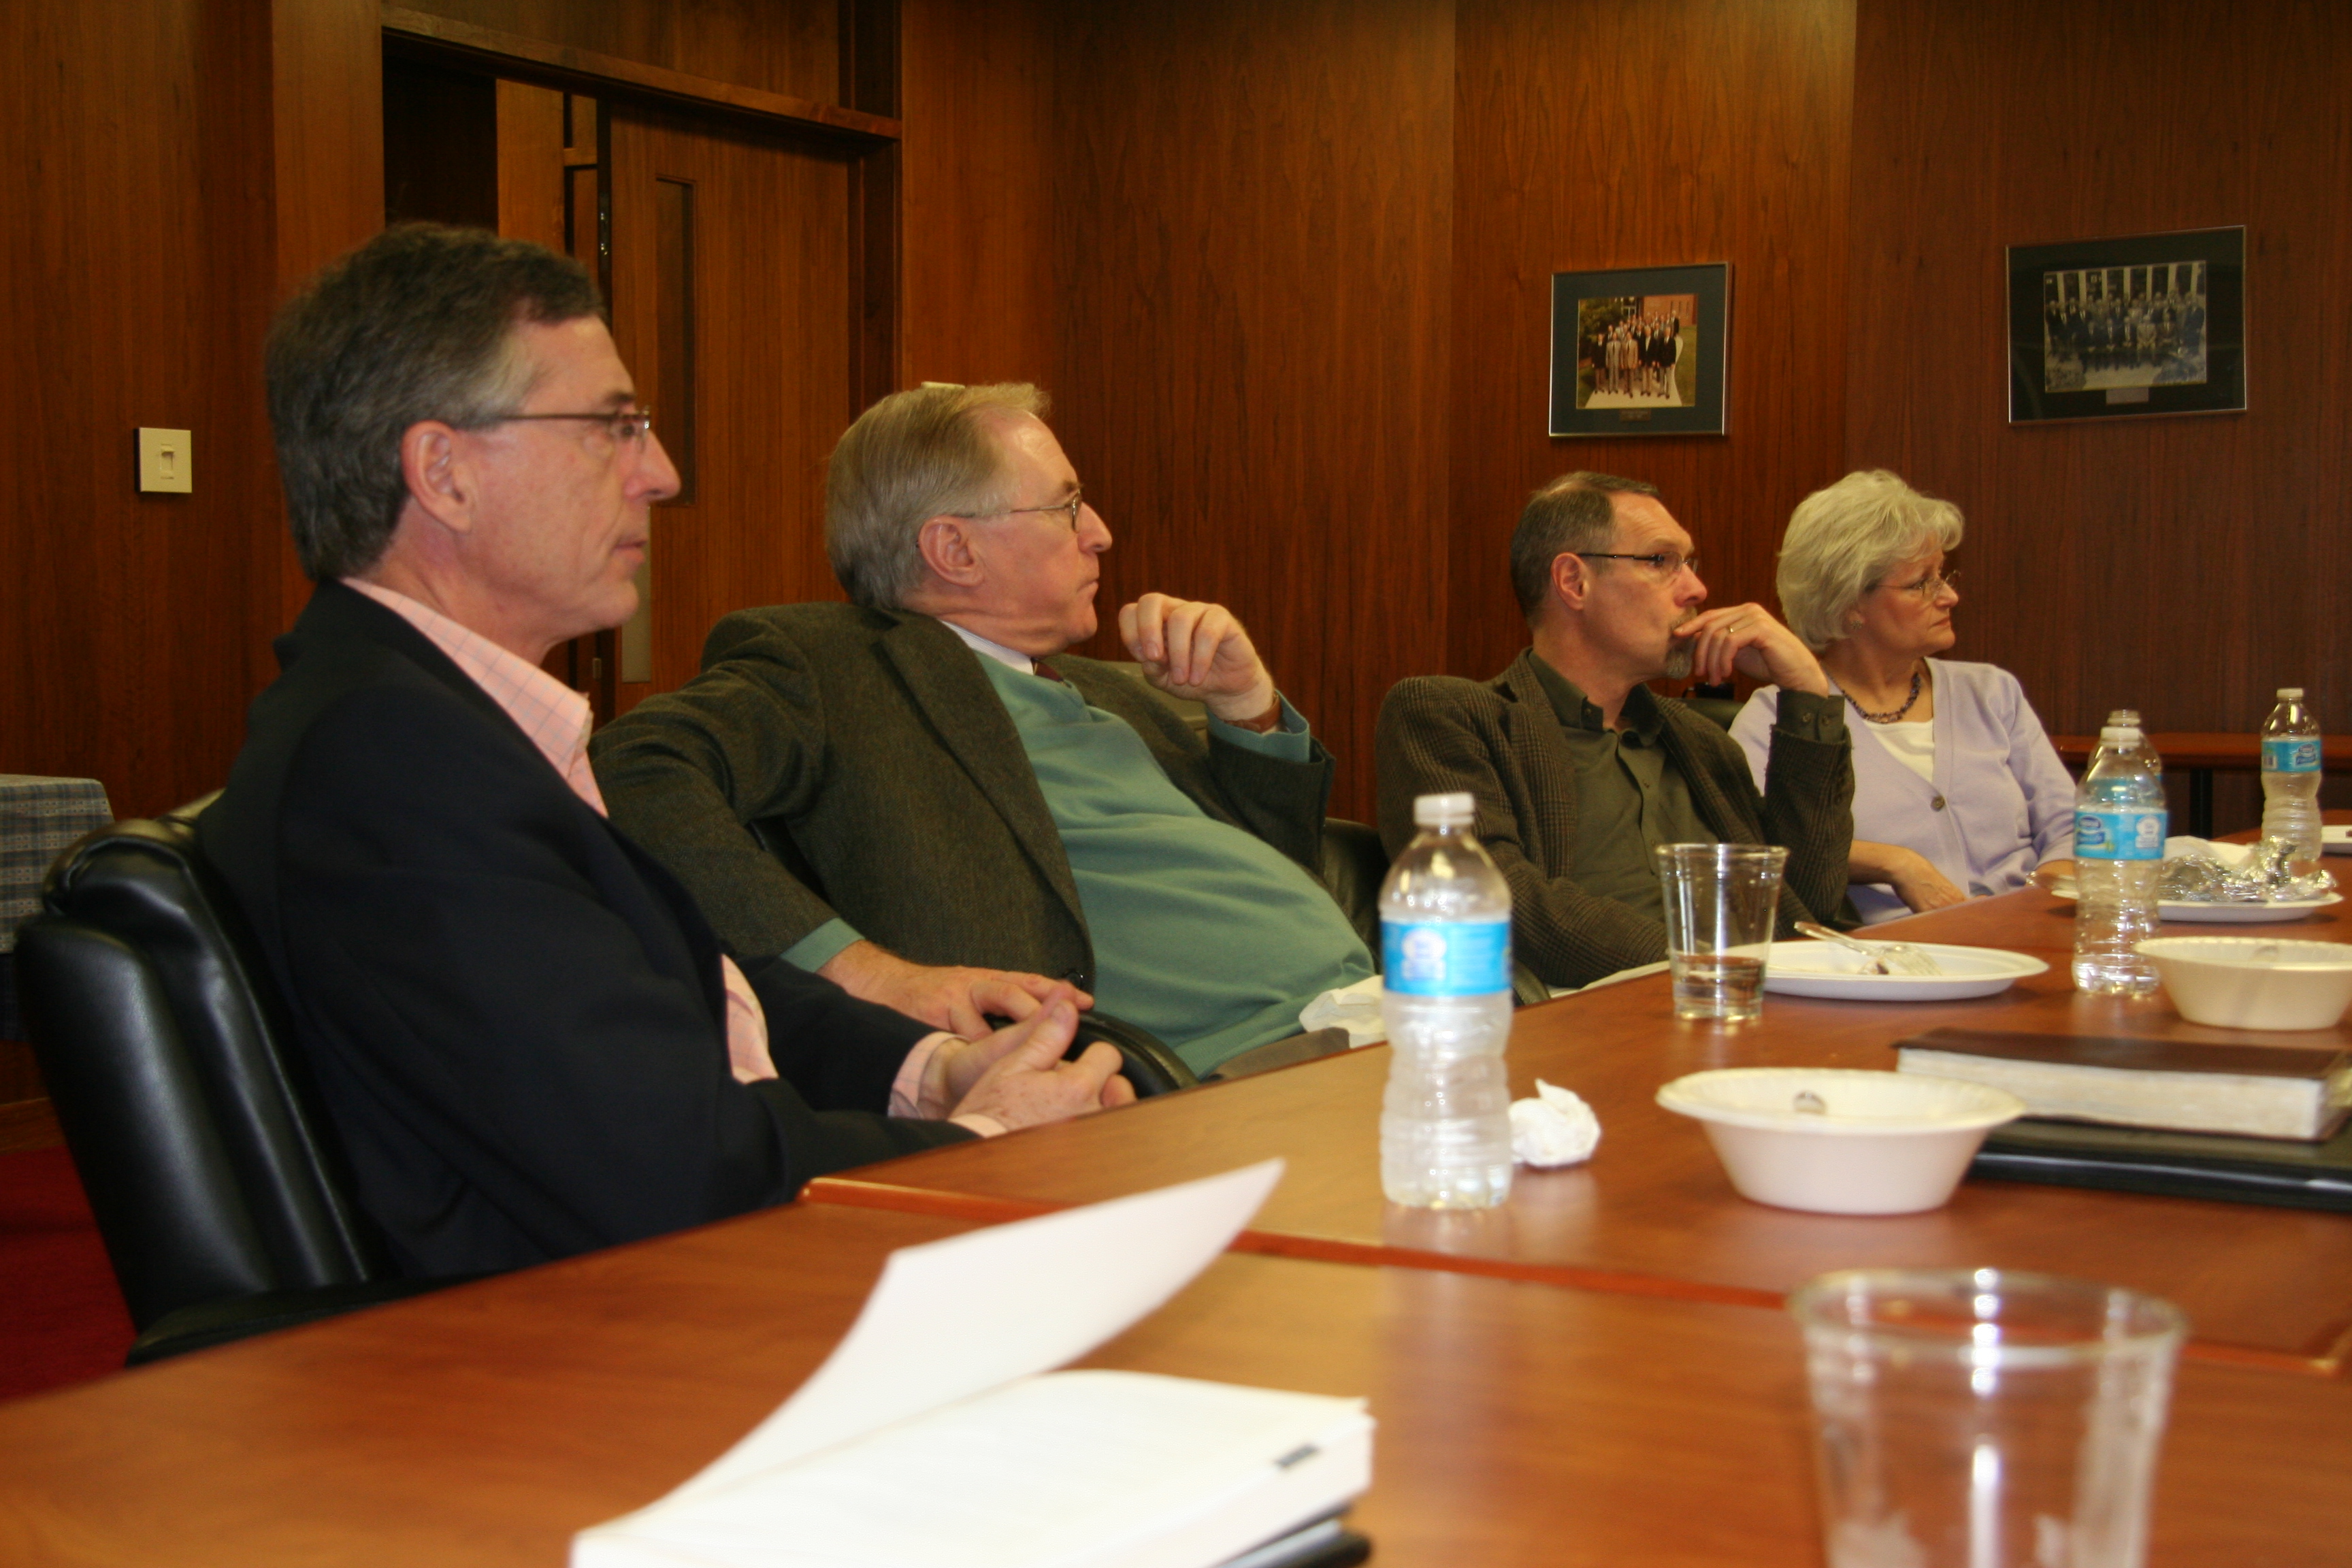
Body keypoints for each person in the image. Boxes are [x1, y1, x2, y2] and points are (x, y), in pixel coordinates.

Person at [199, 226, 1128, 1279]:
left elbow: (674, 993)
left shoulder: (439, 725)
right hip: (615, 1335)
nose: (660, 474)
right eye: (611, 429)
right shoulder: (393, 770)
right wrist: (984, 1145)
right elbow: (675, 1179)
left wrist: (932, 1069)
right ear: (445, 473)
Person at [591, 383, 1374, 1077]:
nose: (1100, 532)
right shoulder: (833, 666)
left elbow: (1284, 863)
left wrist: (1245, 705)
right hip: (1235, 1069)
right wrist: (857, 970)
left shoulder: (1118, 688)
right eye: (1068, 507)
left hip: (1378, 1016)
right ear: (955, 549)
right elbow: (633, 767)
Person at [1375, 472, 1855, 991]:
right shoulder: (1451, 715)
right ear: (1573, 582)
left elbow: (1810, 905)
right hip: (1588, 1017)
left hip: (1759, 1004)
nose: (1696, 589)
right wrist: (1704, 967)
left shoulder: (1702, 742)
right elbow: (1486, 894)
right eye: (1660, 561)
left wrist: (1808, 692)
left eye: (1689, 563)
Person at [1731, 470, 2075, 924]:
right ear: (1849, 604)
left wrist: (2045, 891)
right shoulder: (1780, 719)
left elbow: (2070, 825)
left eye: (1943, 575)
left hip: (2022, 934)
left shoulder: (1991, 692)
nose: (1950, 596)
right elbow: (1760, 848)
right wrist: (1893, 862)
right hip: (1887, 953)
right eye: (1921, 583)